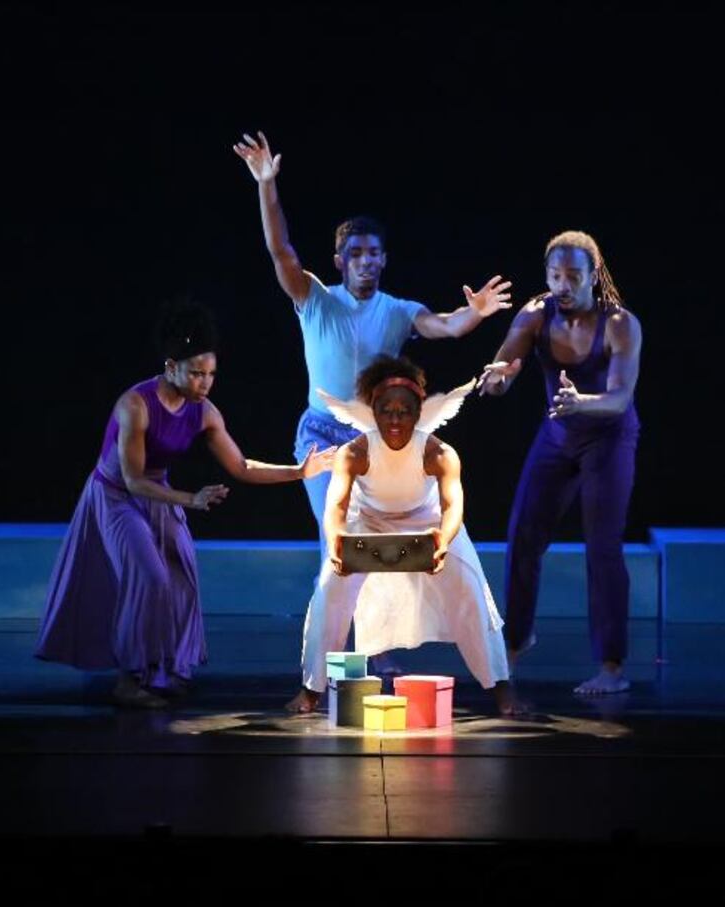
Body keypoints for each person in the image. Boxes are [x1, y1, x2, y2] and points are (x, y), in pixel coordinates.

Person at [35, 301, 336, 707]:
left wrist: (299, 471)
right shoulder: (136, 405)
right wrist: (189, 500)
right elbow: (132, 480)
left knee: (178, 579)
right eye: (196, 373)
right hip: (115, 497)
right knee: (149, 576)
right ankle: (130, 678)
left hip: (158, 493)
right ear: (171, 365)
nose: (205, 382)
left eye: (211, 374)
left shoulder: (204, 412)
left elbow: (241, 466)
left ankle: (164, 670)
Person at [230, 130, 514, 545]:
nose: (365, 261)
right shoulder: (316, 298)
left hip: (377, 436)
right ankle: (330, 608)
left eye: (373, 253)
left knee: (379, 537)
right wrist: (266, 185)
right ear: (339, 261)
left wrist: (474, 313)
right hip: (321, 434)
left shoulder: (398, 310)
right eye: (356, 254)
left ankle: (374, 611)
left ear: (384, 260)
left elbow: (447, 325)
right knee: (338, 533)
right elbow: (280, 250)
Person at [287, 356, 520, 717]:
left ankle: (502, 688)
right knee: (329, 590)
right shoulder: (356, 452)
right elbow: (335, 507)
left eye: (404, 411)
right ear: (374, 412)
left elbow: (453, 505)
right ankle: (310, 690)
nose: (395, 420)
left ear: (418, 413)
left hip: (428, 523)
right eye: (386, 411)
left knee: (472, 591)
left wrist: (442, 540)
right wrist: (335, 541)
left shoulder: (438, 453)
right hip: (368, 522)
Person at [479, 231, 642, 695]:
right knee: (523, 534)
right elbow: (503, 368)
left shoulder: (620, 324)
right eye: (555, 275)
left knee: (602, 547)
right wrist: (498, 378)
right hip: (558, 435)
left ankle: (611, 667)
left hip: (608, 439)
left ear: (594, 275)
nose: (563, 285)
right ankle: (517, 639)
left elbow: (618, 399)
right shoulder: (535, 314)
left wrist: (581, 402)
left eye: (573, 275)